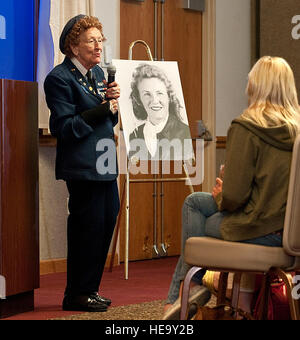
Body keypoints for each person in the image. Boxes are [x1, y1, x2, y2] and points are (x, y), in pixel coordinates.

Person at [163, 56, 300, 320]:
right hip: (289, 232)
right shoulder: (296, 132)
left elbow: (236, 197)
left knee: (202, 218)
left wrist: (221, 194)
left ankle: (189, 287)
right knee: (195, 202)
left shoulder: (247, 127)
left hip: (258, 228)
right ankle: (209, 295)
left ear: (254, 86)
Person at [44, 15, 121, 313]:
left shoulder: (98, 74)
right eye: (91, 40)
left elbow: (107, 119)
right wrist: (103, 110)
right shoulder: (59, 78)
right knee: (86, 227)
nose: (98, 46)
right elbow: (64, 128)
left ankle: (90, 288)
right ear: (74, 46)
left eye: (100, 40)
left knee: (105, 223)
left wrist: (112, 105)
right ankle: (75, 293)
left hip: (104, 162)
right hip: (81, 165)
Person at [129, 63, 193, 160]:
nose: (154, 100)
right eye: (147, 94)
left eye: (159, 93)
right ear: (139, 100)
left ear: (169, 96)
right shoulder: (134, 135)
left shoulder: (184, 133)